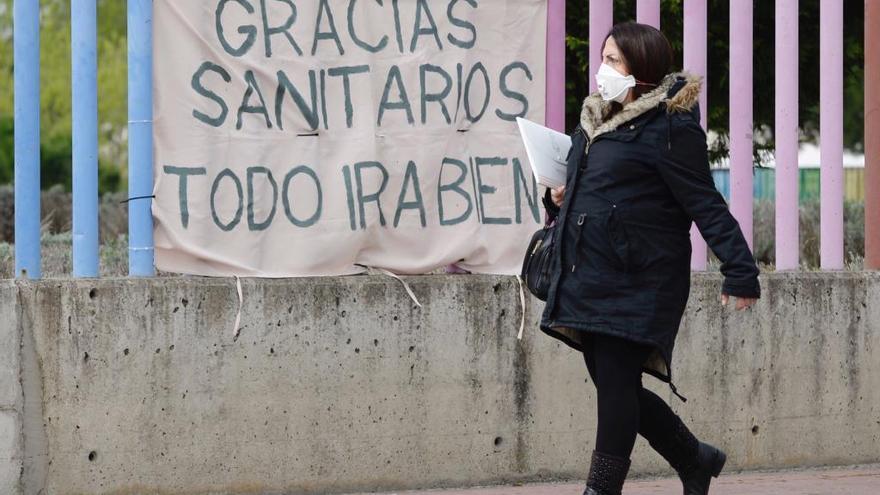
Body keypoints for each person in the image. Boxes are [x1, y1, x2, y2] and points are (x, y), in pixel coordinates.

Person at [539, 22, 761, 495]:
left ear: (642, 68)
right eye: (603, 58)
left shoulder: (669, 128)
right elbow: (588, 191)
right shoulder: (594, 121)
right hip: (590, 273)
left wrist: (740, 272)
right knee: (615, 385)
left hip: (640, 278)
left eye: (614, 60)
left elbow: (705, 203)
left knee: (616, 388)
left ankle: (601, 490)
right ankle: (694, 458)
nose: (603, 69)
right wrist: (557, 198)